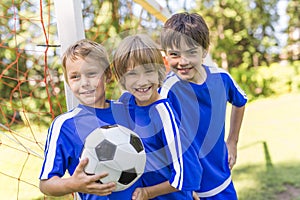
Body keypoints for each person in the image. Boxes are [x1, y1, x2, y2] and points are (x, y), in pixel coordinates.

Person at [159, 12, 247, 199]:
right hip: (189, 189)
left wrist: (232, 141)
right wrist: (186, 187)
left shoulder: (221, 78)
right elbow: (164, 141)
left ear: (205, 50)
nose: (183, 62)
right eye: (175, 54)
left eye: (191, 52)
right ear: (166, 55)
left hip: (222, 179)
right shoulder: (167, 91)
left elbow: (240, 102)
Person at [39, 39, 141, 199]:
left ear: (107, 75)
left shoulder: (129, 111)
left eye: (92, 74)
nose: (84, 83)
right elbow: (46, 184)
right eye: (75, 77)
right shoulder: (64, 125)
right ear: (67, 81)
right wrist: (73, 184)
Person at [112, 33, 202, 200]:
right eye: (132, 74)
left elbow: (186, 175)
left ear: (159, 72)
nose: (142, 81)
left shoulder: (163, 114)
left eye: (148, 71)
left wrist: (147, 193)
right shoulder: (125, 103)